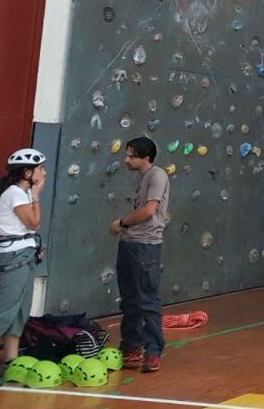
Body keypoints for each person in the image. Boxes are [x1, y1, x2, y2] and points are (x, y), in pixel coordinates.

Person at [108, 136, 170, 373]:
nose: (126, 159)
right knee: (130, 299)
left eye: (131, 155)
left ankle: (153, 350)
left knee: (147, 299)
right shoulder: (142, 177)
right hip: (130, 243)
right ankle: (131, 347)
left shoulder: (157, 176)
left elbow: (149, 210)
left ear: (146, 157)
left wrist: (121, 222)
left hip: (145, 245)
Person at [0, 149, 46, 385]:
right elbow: (33, 222)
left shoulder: (20, 193)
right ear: (27, 172)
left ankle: (10, 360)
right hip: (13, 258)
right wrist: (36, 195)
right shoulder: (16, 193)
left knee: (19, 311)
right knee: (3, 311)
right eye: (40, 168)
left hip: (25, 256)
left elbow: (29, 230)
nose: (43, 173)